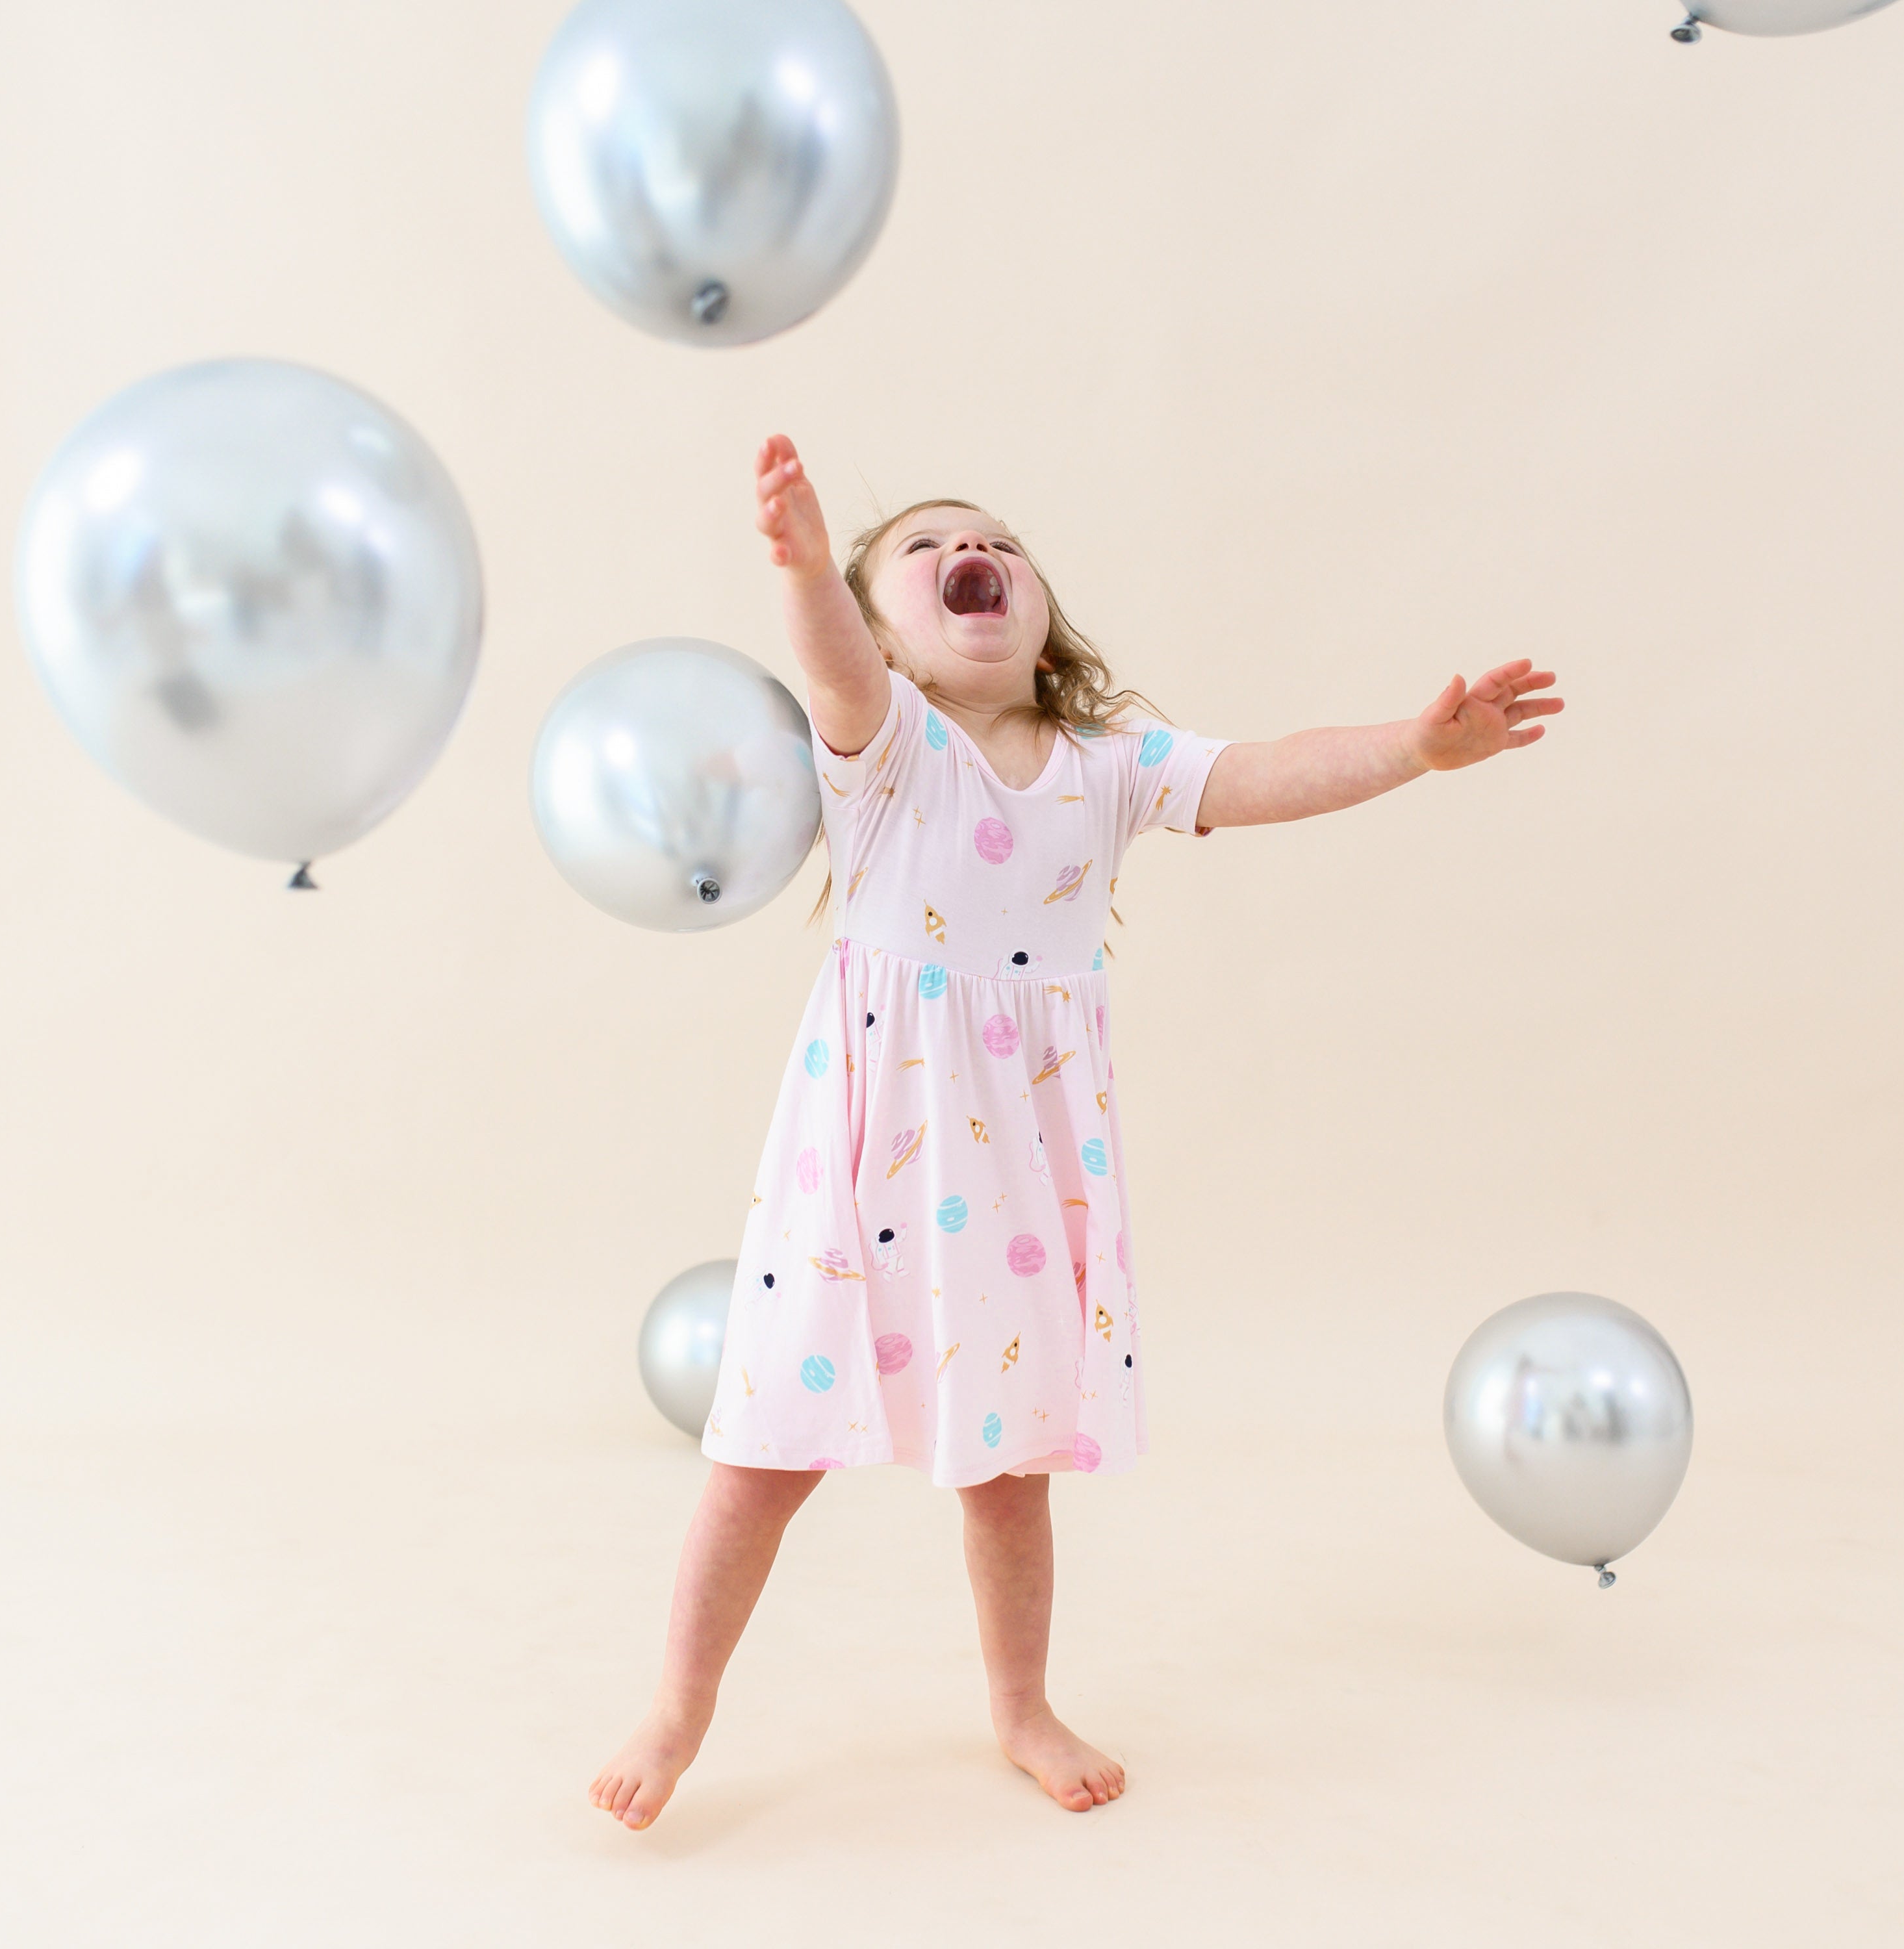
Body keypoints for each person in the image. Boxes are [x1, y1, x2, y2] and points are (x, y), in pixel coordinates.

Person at [591, 436, 1563, 1828]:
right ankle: (678, 1707)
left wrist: (1414, 749)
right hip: (861, 1164)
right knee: (759, 1462)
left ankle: (1020, 1705)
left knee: (1009, 1468)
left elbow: (1266, 771)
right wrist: (809, 570)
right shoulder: (887, 752)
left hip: (1014, 1172)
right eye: (917, 552)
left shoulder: (1106, 767)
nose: (964, 551)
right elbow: (834, 671)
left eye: (991, 538)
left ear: (1040, 611)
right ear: (886, 633)